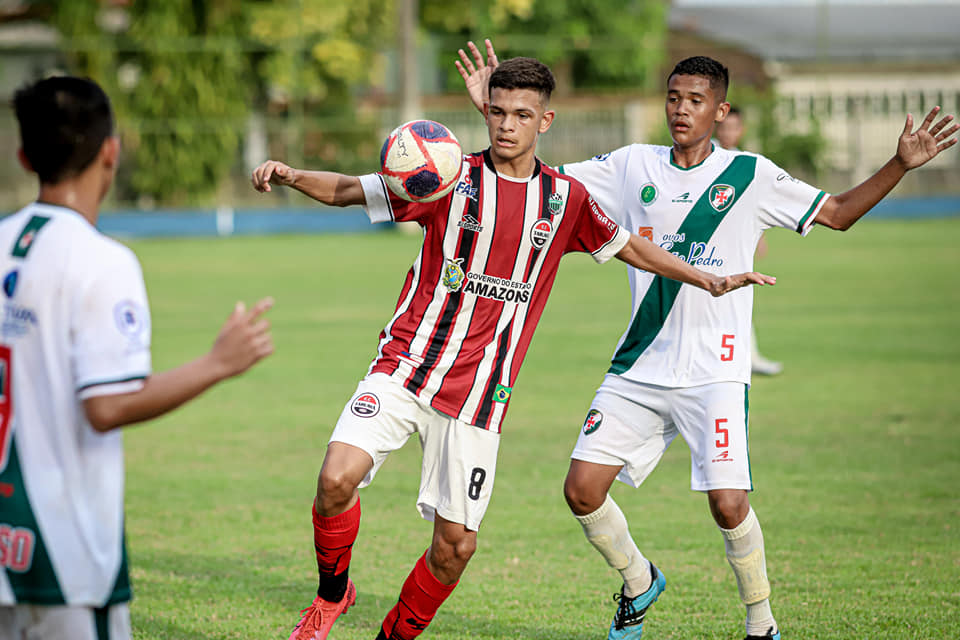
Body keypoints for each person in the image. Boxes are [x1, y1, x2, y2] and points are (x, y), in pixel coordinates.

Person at [252, 57, 773, 640]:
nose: (506, 125)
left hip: (479, 398)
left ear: (544, 120)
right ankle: (331, 595)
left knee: (454, 548)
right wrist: (293, 174)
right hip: (405, 366)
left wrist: (707, 278)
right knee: (334, 479)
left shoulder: (565, 199)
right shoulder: (445, 176)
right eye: (496, 112)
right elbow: (352, 189)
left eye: (521, 115)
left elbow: (632, 249)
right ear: (485, 113)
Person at [457, 42, 958, 640]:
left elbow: (841, 212)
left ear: (720, 111)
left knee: (727, 505)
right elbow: (527, 181)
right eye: (673, 98)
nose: (681, 110)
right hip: (640, 364)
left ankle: (761, 622)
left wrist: (900, 163)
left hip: (716, 372)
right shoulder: (630, 165)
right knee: (581, 490)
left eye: (696, 100)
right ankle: (640, 581)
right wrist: (494, 117)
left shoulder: (752, 175)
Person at [0, 76, 275, 640]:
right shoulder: (103, 262)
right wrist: (219, 362)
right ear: (111, 151)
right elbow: (104, 406)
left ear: (25, 156)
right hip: (64, 555)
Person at [714, 106, 783, 376]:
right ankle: (739, 359)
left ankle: (747, 357)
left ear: (741, 130)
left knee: (737, 300)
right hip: (710, 245)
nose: (729, 132)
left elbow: (751, 204)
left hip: (734, 243)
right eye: (724, 128)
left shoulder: (745, 161)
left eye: (734, 128)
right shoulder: (707, 157)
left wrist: (760, 236)